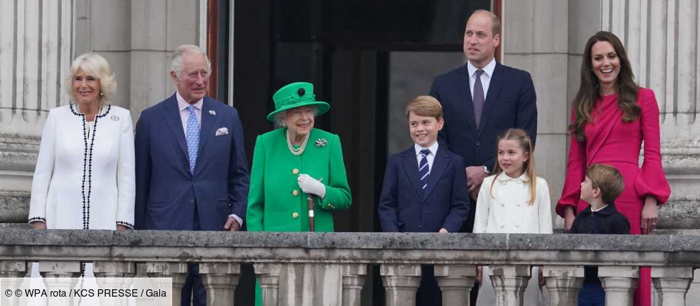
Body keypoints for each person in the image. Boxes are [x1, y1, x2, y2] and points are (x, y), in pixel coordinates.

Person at [556, 31, 671, 306]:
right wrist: (570, 208)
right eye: (598, 58)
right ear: (590, 64)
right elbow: (575, 161)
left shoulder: (644, 98)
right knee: (593, 278)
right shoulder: (582, 105)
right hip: (591, 198)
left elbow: (653, 154)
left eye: (611, 56)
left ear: (621, 59)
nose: (606, 63)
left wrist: (651, 200)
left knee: (631, 274)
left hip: (630, 196)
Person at [134, 45, 249, 306]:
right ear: (175, 76)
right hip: (164, 227)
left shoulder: (227, 117)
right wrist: (137, 235)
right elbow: (140, 180)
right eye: (192, 75)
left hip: (215, 225)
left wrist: (237, 213)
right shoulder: (151, 119)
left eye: (204, 73)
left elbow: (240, 173)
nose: (200, 81)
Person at [27, 53, 134, 284]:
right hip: (60, 216)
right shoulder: (57, 117)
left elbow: (126, 176)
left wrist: (122, 223)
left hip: (105, 218)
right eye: (78, 78)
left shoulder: (121, 118)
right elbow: (42, 172)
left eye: (91, 79)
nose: (83, 85)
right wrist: (38, 220)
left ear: (102, 83)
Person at [247, 81, 351, 305]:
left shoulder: (330, 143)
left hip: (317, 250)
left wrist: (322, 191)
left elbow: (344, 198)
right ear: (283, 118)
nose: (305, 118)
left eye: (308, 111)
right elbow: (255, 204)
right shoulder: (266, 144)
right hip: (274, 250)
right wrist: (259, 248)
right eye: (297, 112)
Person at [377, 96, 469, 306]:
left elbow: (460, 205)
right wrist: (395, 238)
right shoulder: (397, 162)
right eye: (414, 123)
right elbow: (387, 205)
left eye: (426, 122)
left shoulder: (454, 162)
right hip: (404, 250)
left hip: (440, 251)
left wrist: (446, 231)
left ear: (440, 123)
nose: (420, 129)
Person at [473, 128, 552, 305]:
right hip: (492, 262)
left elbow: (545, 229)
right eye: (501, 152)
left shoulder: (539, 185)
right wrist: (478, 260)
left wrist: (543, 264)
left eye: (511, 152)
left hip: (529, 262)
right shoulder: (488, 184)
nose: (505, 158)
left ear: (525, 156)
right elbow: (480, 225)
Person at [570, 164, 630, 306]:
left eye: (585, 181)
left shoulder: (618, 221)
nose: (581, 184)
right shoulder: (581, 218)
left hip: (607, 286)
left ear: (596, 191)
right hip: (582, 283)